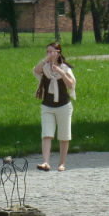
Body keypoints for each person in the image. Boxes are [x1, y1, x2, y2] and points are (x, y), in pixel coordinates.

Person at [32, 42, 76, 171]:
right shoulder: (44, 68)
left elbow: (71, 85)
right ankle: (46, 162)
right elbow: (36, 70)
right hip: (47, 106)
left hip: (64, 106)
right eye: (47, 51)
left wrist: (61, 72)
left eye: (52, 51)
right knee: (46, 133)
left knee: (64, 135)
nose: (49, 54)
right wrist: (46, 59)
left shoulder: (65, 68)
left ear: (58, 52)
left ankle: (62, 163)